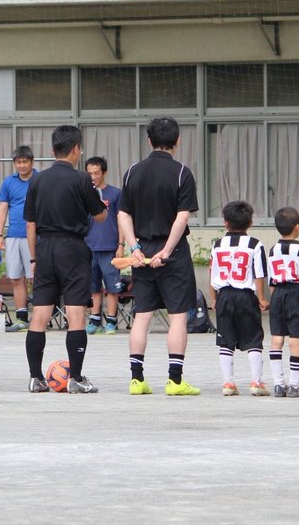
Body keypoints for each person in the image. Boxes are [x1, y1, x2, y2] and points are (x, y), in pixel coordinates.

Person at [116, 116, 201, 396]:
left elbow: (123, 214)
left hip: (142, 252)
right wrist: (167, 250)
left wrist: (135, 248)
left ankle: (136, 379)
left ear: (149, 140)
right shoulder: (182, 173)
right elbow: (182, 216)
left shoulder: (132, 172)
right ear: (177, 140)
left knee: (142, 315)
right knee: (178, 316)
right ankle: (175, 381)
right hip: (173, 253)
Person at [24, 125, 107, 394]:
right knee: (76, 314)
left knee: (40, 314)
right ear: (75, 149)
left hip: (44, 248)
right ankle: (76, 378)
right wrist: (100, 206)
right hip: (72, 248)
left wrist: (34, 257)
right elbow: (100, 215)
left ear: (53, 150)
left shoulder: (37, 180)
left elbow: (30, 223)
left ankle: (35, 377)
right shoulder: (82, 179)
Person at [210, 200, 270, 397]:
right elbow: (259, 273)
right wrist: (261, 297)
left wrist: (214, 299)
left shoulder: (217, 245)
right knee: (254, 338)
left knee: (225, 339)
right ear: (250, 223)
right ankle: (256, 382)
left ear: (225, 222)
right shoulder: (255, 245)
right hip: (246, 295)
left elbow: (213, 273)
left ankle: (228, 383)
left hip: (224, 294)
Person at [266, 206, 299, 398]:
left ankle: (278, 384)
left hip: (278, 293)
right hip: (297, 293)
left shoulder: (273, 250)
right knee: (295, 339)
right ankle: (294, 385)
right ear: (297, 227)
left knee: (276, 338)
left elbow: (271, 279)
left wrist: (274, 298)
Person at [0, 145, 37, 331]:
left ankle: (39, 317)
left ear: (32, 162)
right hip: (13, 235)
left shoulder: (39, 179)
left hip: (35, 235)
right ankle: (21, 318)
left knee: (36, 278)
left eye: (25, 162)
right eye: (18, 162)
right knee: (16, 278)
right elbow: (2, 209)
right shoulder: (8, 182)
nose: (21, 165)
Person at [84, 156, 123, 335]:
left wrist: (121, 244)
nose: (93, 177)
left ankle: (111, 321)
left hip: (110, 247)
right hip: (89, 247)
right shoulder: (84, 193)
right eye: (90, 173)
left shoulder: (115, 193)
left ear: (104, 172)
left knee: (112, 287)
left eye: (96, 173)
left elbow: (122, 220)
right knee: (93, 287)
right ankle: (94, 320)